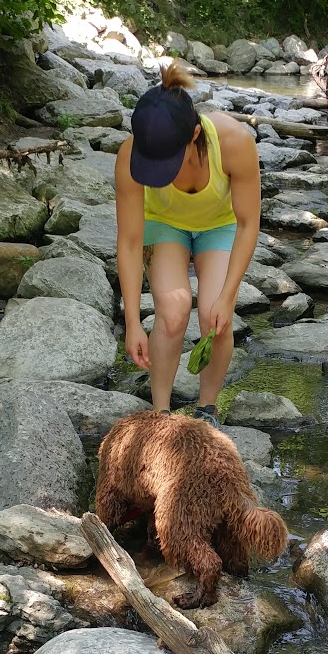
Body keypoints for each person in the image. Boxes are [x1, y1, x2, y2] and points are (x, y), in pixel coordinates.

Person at [115, 61, 261, 421]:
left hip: (220, 224)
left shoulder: (233, 142)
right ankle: (160, 414)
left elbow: (247, 223)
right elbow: (131, 242)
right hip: (163, 223)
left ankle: (206, 409)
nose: (157, 172)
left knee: (215, 314)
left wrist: (228, 298)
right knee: (173, 310)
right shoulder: (129, 155)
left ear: (195, 135)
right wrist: (133, 321)